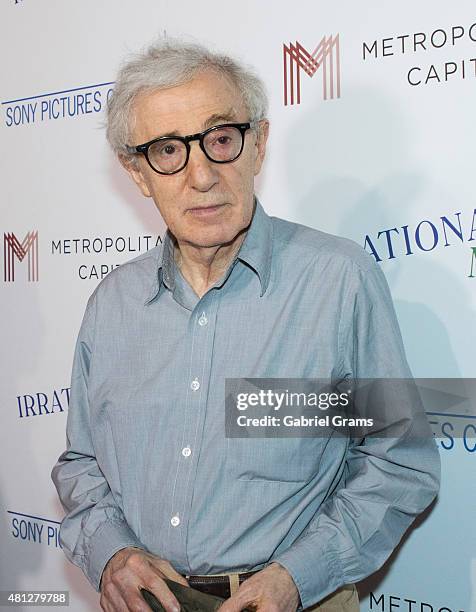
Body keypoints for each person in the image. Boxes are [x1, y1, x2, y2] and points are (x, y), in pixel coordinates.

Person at [51, 38, 440, 612]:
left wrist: (299, 575)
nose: (201, 175)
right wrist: (110, 552)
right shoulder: (112, 303)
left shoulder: (338, 281)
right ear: (137, 173)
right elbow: (82, 463)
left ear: (258, 144)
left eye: (221, 140)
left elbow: (398, 460)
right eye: (167, 150)